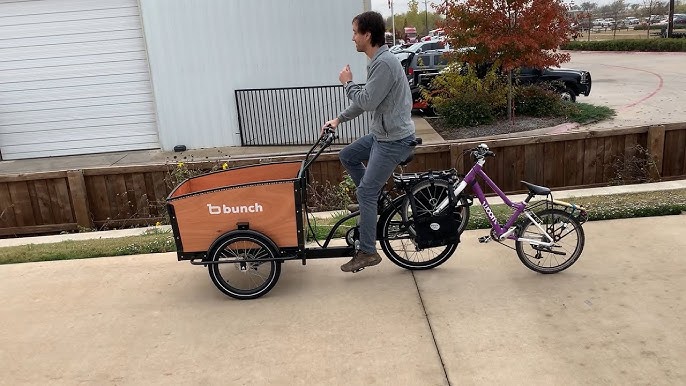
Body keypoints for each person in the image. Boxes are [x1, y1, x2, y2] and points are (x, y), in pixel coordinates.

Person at [322, 11, 416, 273]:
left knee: (365, 191)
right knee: (348, 155)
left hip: (393, 141)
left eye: (355, 32)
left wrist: (347, 83)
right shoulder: (377, 61)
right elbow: (366, 100)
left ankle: (367, 251)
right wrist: (339, 119)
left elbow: (366, 100)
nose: (352, 38)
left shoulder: (384, 63)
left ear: (367, 35)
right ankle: (372, 204)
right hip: (381, 135)